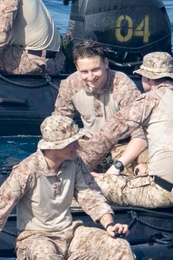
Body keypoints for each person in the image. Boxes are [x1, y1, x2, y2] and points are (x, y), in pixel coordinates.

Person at [0, 114, 138, 260]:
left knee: (119, 246)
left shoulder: (74, 163)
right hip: (34, 238)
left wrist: (109, 224)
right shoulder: (27, 170)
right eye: (71, 142)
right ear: (54, 146)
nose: (77, 145)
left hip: (70, 234)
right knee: (46, 255)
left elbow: (90, 195)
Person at [79, 51, 173, 209]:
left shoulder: (150, 99)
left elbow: (109, 133)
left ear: (147, 78)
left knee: (86, 182)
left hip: (161, 193)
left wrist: (78, 166)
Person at [52, 38, 143, 170]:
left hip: (121, 145)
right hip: (89, 142)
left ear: (105, 63)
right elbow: (58, 124)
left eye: (95, 70)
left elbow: (140, 133)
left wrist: (118, 166)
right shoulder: (71, 85)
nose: (90, 77)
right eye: (84, 72)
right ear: (77, 68)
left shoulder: (122, 86)